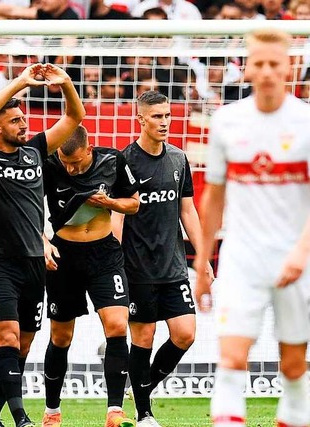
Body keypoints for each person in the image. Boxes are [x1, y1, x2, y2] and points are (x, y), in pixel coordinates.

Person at [193, 29, 310, 427]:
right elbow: (213, 197)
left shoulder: (306, 123)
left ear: (289, 67)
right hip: (242, 257)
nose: (266, 72)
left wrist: (301, 252)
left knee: (293, 366)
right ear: (247, 68)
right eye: (257, 63)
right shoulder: (227, 121)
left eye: (274, 64)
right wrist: (204, 262)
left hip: (296, 258)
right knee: (230, 361)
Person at [0, 62, 85, 427]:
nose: (25, 125)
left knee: (22, 346)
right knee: (7, 336)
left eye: (24, 119)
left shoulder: (35, 151)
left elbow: (74, 118)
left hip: (35, 262)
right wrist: (19, 81)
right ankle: (21, 418)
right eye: (16, 120)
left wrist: (65, 83)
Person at [113, 90, 213, 427]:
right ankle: (144, 415)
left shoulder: (178, 158)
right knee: (142, 338)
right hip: (137, 268)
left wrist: (202, 257)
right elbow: (118, 218)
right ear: (140, 119)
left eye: (168, 115)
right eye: (157, 116)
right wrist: (115, 265)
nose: (164, 122)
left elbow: (188, 210)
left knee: (185, 333)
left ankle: (143, 387)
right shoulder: (123, 161)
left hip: (173, 266)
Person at [42, 125, 139, 427]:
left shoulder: (113, 161)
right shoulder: (48, 165)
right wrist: (42, 240)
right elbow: (27, 205)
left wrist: (110, 203)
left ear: (90, 149)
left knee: (117, 325)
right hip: (63, 255)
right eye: (65, 162)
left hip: (104, 253)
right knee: (61, 336)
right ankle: (52, 411)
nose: (70, 168)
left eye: (76, 162)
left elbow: (134, 203)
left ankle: (114, 410)